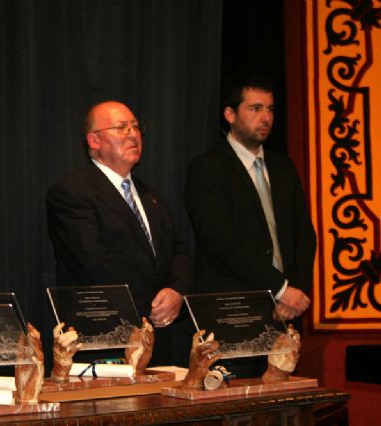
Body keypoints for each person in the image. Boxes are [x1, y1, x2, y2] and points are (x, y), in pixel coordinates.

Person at [184, 75, 316, 377]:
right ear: (230, 115)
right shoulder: (208, 168)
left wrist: (296, 291)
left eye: (270, 109)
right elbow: (221, 241)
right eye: (255, 108)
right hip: (234, 313)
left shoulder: (283, 167)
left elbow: (305, 235)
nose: (266, 117)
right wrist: (280, 288)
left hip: (285, 315)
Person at [47, 100, 192, 366]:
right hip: (105, 339)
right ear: (94, 140)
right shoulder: (72, 192)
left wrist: (176, 291)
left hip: (159, 334)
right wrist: (153, 303)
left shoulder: (150, 195)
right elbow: (93, 263)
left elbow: (178, 249)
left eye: (136, 127)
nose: (133, 134)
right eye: (121, 128)